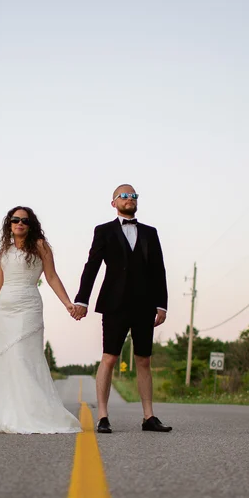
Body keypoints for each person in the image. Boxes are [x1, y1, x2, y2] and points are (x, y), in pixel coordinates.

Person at [72, 184, 172, 433]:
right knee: (110, 357)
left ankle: (149, 417)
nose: (130, 199)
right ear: (114, 202)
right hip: (114, 304)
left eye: (133, 195)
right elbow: (92, 266)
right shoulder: (103, 231)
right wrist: (82, 300)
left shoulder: (150, 233)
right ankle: (103, 417)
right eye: (124, 196)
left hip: (145, 305)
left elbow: (159, 270)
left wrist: (162, 304)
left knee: (144, 359)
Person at [0, 206, 82, 434]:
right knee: (8, 361)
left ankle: (35, 413)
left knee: (24, 358)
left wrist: (68, 303)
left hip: (28, 305)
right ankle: (11, 414)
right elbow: (0, 285)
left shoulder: (40, 246)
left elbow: (51, 277)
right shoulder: (3, 251)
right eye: (15, 220)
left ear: (31, 224)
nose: (20, 223)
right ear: (9, 225)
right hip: (4, 309)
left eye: (25, 220)